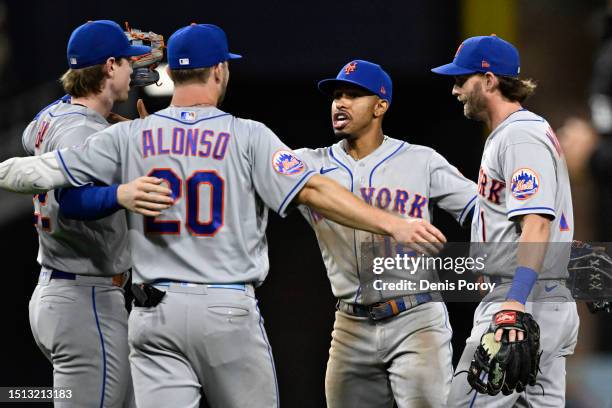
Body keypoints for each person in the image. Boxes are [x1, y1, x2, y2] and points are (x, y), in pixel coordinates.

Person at [0, 23, 446, 408]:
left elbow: (31, 172)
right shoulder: (247, 135)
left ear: (170, 73)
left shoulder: (128, 135)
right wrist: (393, 222)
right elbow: (311, 188)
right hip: (225, 310)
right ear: (219, 70)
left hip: (155, 316)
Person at [294, 59, 477, 408]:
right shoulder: (309, 165)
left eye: (354, 95)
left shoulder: (420, 161)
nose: (340, 103)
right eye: (337, 95)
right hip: (349, 324)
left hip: (416, 318)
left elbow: (483, 213)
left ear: (381, 105)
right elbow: (243, 176)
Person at [23, 20, 168, 407]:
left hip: (66, 289)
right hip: (83, 298)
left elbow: (36, 131)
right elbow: (73, 200)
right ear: (108, 67)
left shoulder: (52, 118)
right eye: (126, 62)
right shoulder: (83, 132)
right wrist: (122, 193)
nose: (133, 70)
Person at [431, 35, 579, 406]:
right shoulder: (522, 133)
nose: (455, 90)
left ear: (489, 80)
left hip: (518, 300)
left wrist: (513, 304)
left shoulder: (518, 137)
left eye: (461, 80)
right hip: (545, 297)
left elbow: (537, 223)